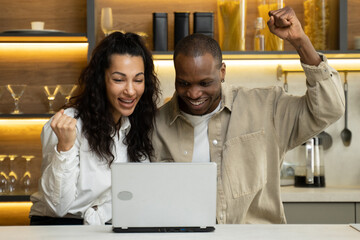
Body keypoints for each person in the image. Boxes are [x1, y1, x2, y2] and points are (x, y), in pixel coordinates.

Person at [152, 7, 345, 224]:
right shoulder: (156, 125)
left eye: (205, 83)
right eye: (184, 83)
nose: (194, 93)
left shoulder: (267, 108)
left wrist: (300, 41)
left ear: (222, 72)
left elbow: (331, 108)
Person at [29, 32, 160, 225]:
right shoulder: (68, 124)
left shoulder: (137, 126)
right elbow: (58, 207)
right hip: (58, 228)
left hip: (105, 227)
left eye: (138, 80)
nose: (131, 90)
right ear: (100, 81)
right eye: (119, 79)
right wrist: (64, 147)